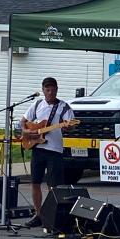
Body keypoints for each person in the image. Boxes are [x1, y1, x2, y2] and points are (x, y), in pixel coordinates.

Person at [21, 77, 74, 228]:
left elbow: (70, 125)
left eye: (53, 89)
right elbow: (23, 121)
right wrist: (27, 132)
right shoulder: (37, 104)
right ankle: (38, 214)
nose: (50, 92)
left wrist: (68, 126)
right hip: (38, 148)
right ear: (43, 90)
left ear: (57, 89)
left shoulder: (64, 107)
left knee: (54, 186)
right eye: (47, 89)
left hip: (54, 150)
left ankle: (53, 215)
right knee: (35, 182)